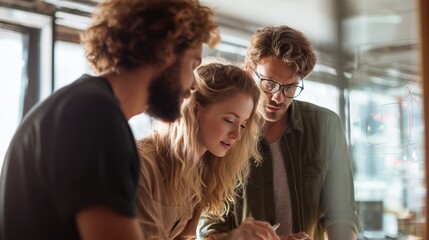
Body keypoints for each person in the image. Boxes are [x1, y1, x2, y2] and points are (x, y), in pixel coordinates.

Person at [0, 0, 219, 239]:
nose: (194, 85)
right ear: (165, 52)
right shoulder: (95, 116)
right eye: (193, 64)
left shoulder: (82, 105)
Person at [197, 26, 360, 240]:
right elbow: (210, 226)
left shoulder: (326, 125)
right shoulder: (226, 133)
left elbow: (341, 213)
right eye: (269, 84)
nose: (278, 97)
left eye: (290, 87)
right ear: (248, 72)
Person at [135, 61, 266, 239]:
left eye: (243, 124)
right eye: (229, 120)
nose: (237, 135)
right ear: (196, 109)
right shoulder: (140, 165)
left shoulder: (202, 172)